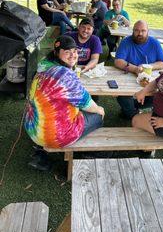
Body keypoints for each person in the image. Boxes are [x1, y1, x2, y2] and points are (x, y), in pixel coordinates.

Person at [24, 35, 104, 170]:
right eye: (67, 52)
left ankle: (40, 154)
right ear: (56, 53)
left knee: (53, 109)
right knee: (98, 116)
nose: (73, 55)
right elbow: (87, 103)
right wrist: (100, 110)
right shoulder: (64, 75)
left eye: (74, 51)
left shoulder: (43, 66)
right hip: (54, 136)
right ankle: (90, 152)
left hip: (32, 127)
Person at [114, 20, 163, 118]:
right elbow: (118, 61)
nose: (140, 33)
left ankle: (130, 111)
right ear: (132, 31)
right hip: (129, 77)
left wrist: (149, 66)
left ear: (148, 31)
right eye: (137, 30)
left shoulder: (154, 43)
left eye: (143, 31)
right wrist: (135, 69)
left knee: (160, 94)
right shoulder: (126, 41)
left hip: (150, 79)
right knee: (122, 95)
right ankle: (132, 112)